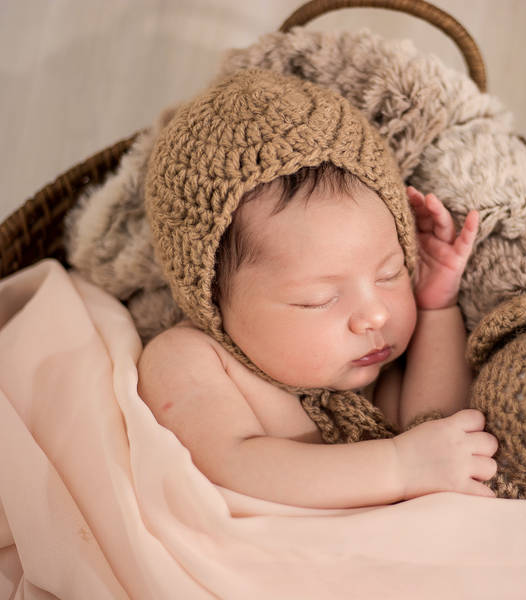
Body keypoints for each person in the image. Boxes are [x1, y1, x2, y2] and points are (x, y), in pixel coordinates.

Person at [138, 68, 498, 509]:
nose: (375, 315)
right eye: (319, 299)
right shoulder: (191, 360)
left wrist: (436, 305)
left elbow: (442, 429)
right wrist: (399, 467)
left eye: (389, 273)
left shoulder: (368, 369)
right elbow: (232, 466)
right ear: (210, 297)